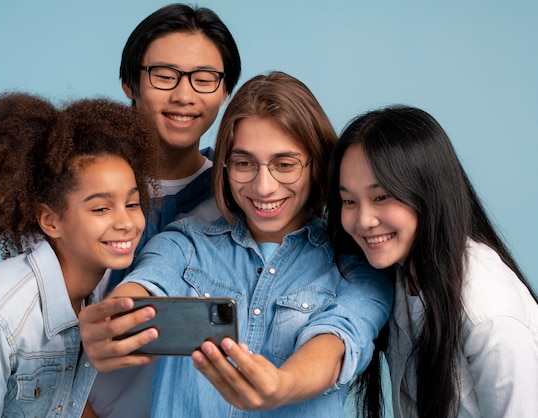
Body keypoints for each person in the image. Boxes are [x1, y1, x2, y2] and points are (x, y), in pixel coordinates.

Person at [79, 71, 394, 417]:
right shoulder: (184, 242)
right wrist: (112, 322)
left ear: (316, 165)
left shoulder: (358, 267)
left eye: (284, 164)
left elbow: (338, 342)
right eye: (244, 163)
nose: (263, 187)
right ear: (225, 167)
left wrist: (282, 385)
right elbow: (146, 284)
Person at [0, 92, 161, 417]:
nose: (126, 222)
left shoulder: (91, 300)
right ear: (50, 220)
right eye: (101, 208)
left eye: (132, 203)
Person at [326, 105, 538, 418]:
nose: (364, 220)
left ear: (426, 192)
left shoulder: (487, 309)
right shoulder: (401, 273)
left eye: (381, 196)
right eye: (349, 201)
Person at [87, 4, 241, 416]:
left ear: (225, 91)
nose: (184, 95)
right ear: (129, 82)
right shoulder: (78, 187)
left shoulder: (242, 197)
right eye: (164, 75)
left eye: (205, 79)